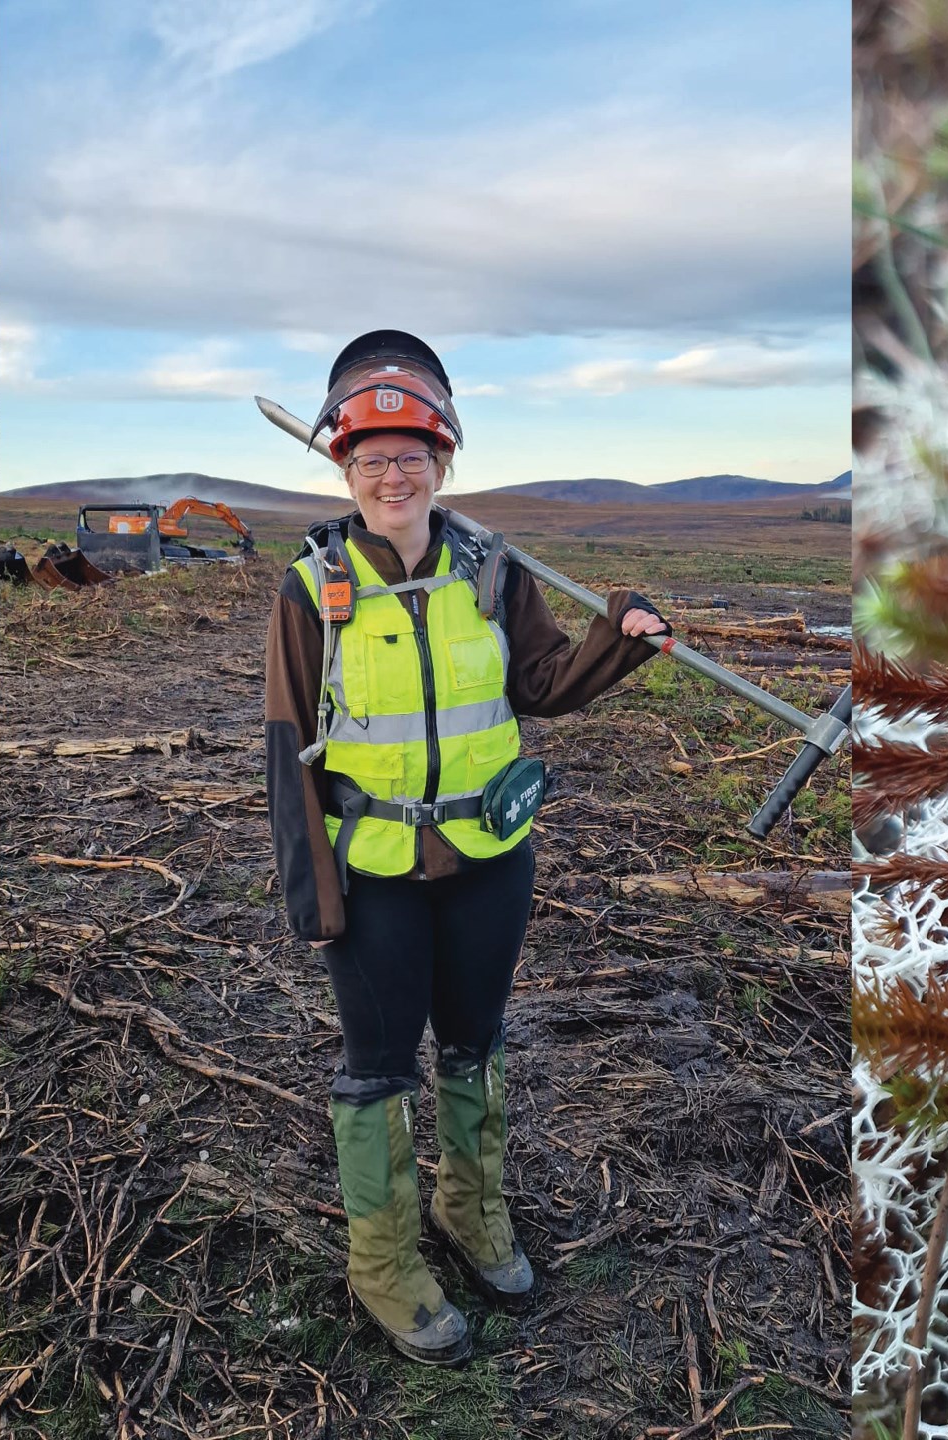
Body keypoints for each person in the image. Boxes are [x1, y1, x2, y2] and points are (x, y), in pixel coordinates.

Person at [263, 329, 670, 1365]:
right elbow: (286, 744)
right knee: (376, 1067)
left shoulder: (493, 570)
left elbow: (536, 684)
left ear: (442, 464)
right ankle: (384, 1260)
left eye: (411, 457)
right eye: (369, 459)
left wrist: (614, 643)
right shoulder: (312, 589)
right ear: (342, 468)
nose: (391, 476)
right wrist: (314, 893)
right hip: (376, 869)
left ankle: (468, 1212)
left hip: (493, 856)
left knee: (476, 1041)